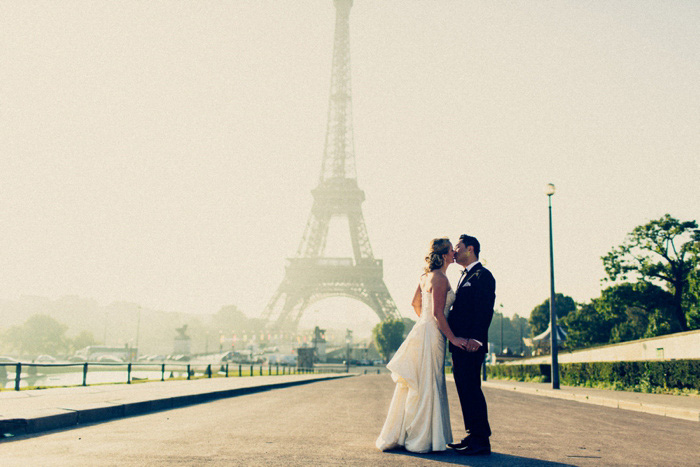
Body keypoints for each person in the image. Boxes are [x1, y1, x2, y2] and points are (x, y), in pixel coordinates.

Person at [376, 238, 469, 453]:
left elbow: (415, 304)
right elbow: (438, 313)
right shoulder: (441, 278)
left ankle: (410, 433)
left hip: (423, 330)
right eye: (451, 250)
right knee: (429, 382)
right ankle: (422, 437)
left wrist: (424, 321)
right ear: (444, 255)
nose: (454, 253)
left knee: (419, 383)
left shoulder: (426, 276)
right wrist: (453, 338)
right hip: (433, 333)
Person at [446, 234, 496, 456]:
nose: (455, 251)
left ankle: (481, 440)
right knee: (464, 389)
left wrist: (477, 339)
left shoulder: (483, 275)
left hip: (470, 344)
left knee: (472, 390)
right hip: (460, 343)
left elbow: (485, 308)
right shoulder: (465, 275)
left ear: (471, 249)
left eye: (458, 247)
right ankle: (473, 434)